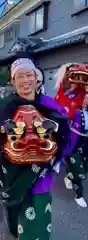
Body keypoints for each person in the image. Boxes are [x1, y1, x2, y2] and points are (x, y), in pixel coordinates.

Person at [0, 57, 73, 239]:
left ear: (36, 78)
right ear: (13, 81)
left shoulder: (50, 105)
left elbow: (66, 136)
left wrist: (56, 159)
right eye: (20, 76)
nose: (25, 80)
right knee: (13, 223)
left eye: (29, 75)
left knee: (37, 226)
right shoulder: (5, 107)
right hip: (12, 176)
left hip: (41, 177)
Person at [54, 63, 88, 207]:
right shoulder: (63, 95)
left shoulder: (82, 96)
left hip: (83, 137)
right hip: (69, 135)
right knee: (73, 162)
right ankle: (78, 193)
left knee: (83, 164)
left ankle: (69, 175)